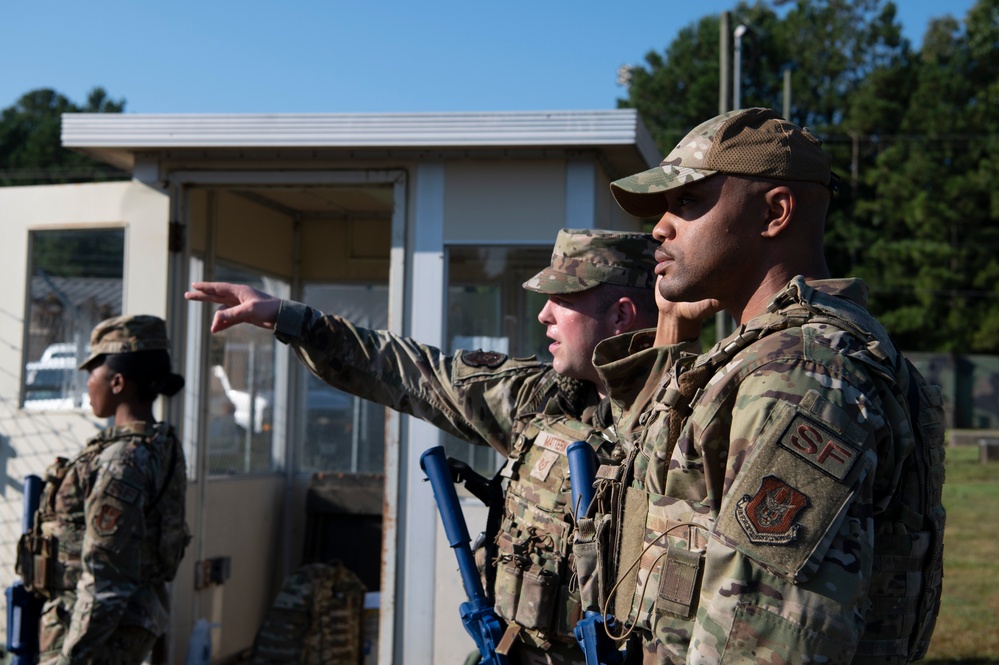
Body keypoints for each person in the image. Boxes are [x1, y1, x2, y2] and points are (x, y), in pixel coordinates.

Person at [185, 228, 712, 665]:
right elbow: (411, 371)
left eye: (563, 301)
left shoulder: (697, 418)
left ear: (621, 315)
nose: (543, 316)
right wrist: (288, 317)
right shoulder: (539, 397)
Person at [583, 108, 946, 664]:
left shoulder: (800, 374)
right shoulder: (770, 356)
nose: (659, 227)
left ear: (776, 212)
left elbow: (764, 641)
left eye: (687, 201)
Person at [25, 315, 190, 665]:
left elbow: (106, 578)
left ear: (117, 382)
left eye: (92, 373)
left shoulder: (122, 462)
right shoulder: (161, 443)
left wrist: (72, 657)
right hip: (123, 625)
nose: (87, 384)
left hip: (93, 634)